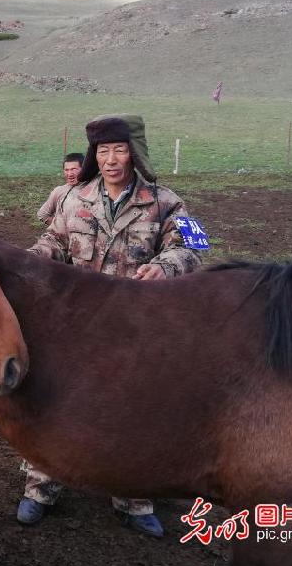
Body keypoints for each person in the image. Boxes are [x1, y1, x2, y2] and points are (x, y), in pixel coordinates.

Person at [17, 114, 203, 539]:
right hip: (75, 326)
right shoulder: (73, 197)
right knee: (55, 404)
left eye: (119, 150)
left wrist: (165, 266)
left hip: (136, 331)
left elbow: (195, 247)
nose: (111, 159)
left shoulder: (166, 201)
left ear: (134, 152)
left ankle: (134, 498)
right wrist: (30, 260)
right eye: (103, 151)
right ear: (93, 155)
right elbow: (55, 242)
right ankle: (41, 487)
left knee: (135, 412)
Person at [36, 152, 84, 226]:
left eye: (74, 169)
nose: (70, 174)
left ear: (83, 169)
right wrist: (63, 228)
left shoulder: (95, 188)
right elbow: (42, 214)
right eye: (66, 170)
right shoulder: (59, 191)